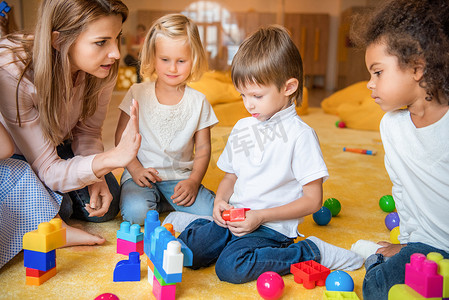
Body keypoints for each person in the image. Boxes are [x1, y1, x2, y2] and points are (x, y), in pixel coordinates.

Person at [177, 25, 364, 284]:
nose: (248, 104)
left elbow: (313, 201)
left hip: (271, 227)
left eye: (256, 95)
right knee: (187, 252)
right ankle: (199, 224)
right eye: (242, 95)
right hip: (237, 217)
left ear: (288, 87)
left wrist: (261, 216)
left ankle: (311, 252)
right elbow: (231, 177)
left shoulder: (301, 135)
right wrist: (220, 201)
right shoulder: (243, 127)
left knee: (231, 267)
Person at [0, 0, 141, 252]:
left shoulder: (103, 66)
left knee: (108, 204)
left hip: (60, 143)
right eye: (101, 42)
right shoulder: (12, 70)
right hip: (22, 153)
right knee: (61, 207)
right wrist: (109, 159)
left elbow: (87, 131)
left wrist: (96, 174)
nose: (116, 53)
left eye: (116, 38)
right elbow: (48, 168)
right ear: (58, 40)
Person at [349, 0, 449, 299]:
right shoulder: (392, 126)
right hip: (426, 248)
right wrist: (406, 244)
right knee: (378, 287)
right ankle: (386, 259)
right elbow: (402, 189)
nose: (369, 84)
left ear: (417, 68)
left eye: (378, 72)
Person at [115, 14, 218, 226]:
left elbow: (204, 149)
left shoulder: (199, 102)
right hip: (140, 175)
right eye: (165, 60)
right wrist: (134, 169)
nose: (172, 68)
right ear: (153, 57)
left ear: (194, 59)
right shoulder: (137, 92)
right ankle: (153, 200)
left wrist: (193, 181)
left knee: (211, 213)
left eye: (181, 61)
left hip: (180, 179)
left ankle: (163, 202)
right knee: (136, 214)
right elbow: (120, 137)